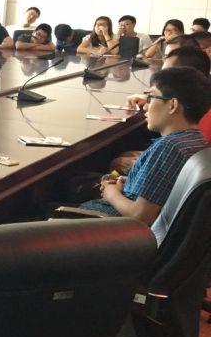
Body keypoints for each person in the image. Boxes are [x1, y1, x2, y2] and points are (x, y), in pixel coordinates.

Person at [78, 67, 210, 227]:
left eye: (151, 98)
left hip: (108, 228)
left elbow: (140, 216)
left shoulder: (169, 148)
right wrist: (128, 182)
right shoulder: (197, 141)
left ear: (172, 105)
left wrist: (110, 193)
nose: (145, 106)